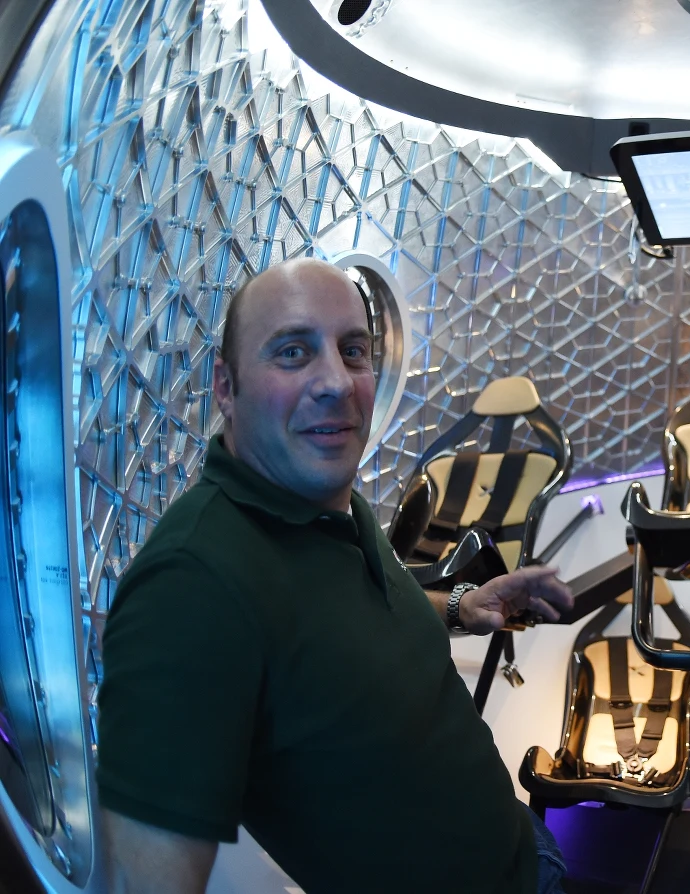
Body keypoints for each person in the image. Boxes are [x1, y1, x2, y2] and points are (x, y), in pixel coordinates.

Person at [95, 258, 573, 894]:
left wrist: (459, 604)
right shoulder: (189, 588)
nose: (337, 383)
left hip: (522, 851)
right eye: (293, 352)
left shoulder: (323, 496)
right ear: (226, 388)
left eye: (353, 351)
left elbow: (352, 612)